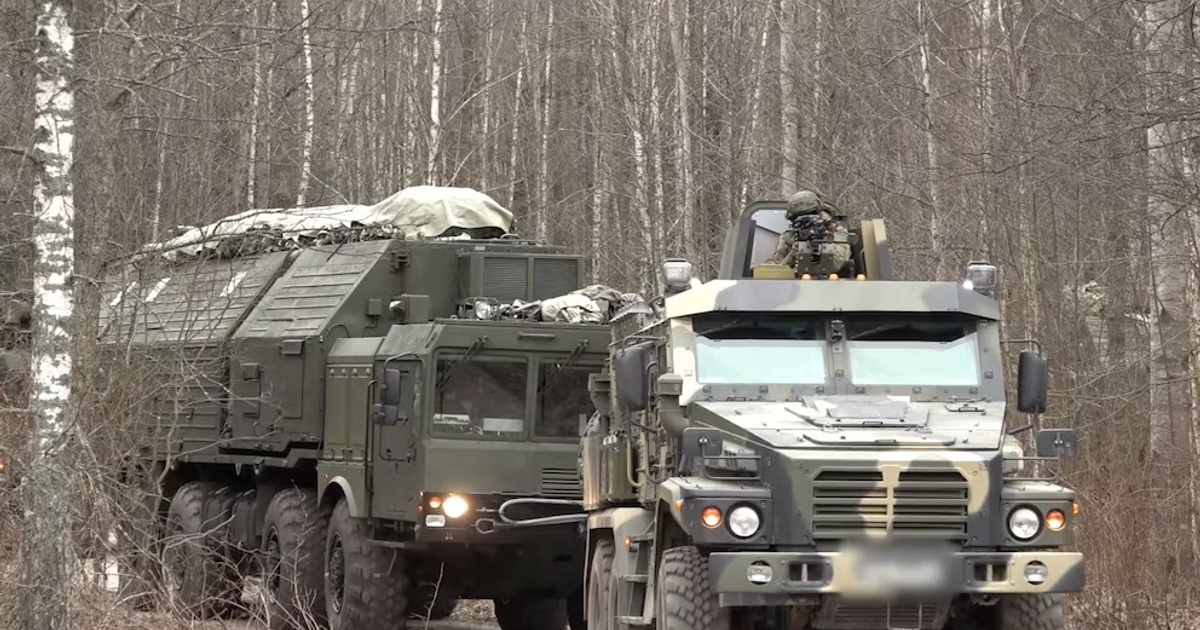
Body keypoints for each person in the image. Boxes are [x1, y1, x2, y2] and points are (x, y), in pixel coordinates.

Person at [766, 189, 851, 276]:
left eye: (812, 215)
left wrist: (826, 233)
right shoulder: (788, 237)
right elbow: (776, 271)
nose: (807, 223)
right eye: (800, 219)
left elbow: (838, 263)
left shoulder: (836, 231)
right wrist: (793, 254)